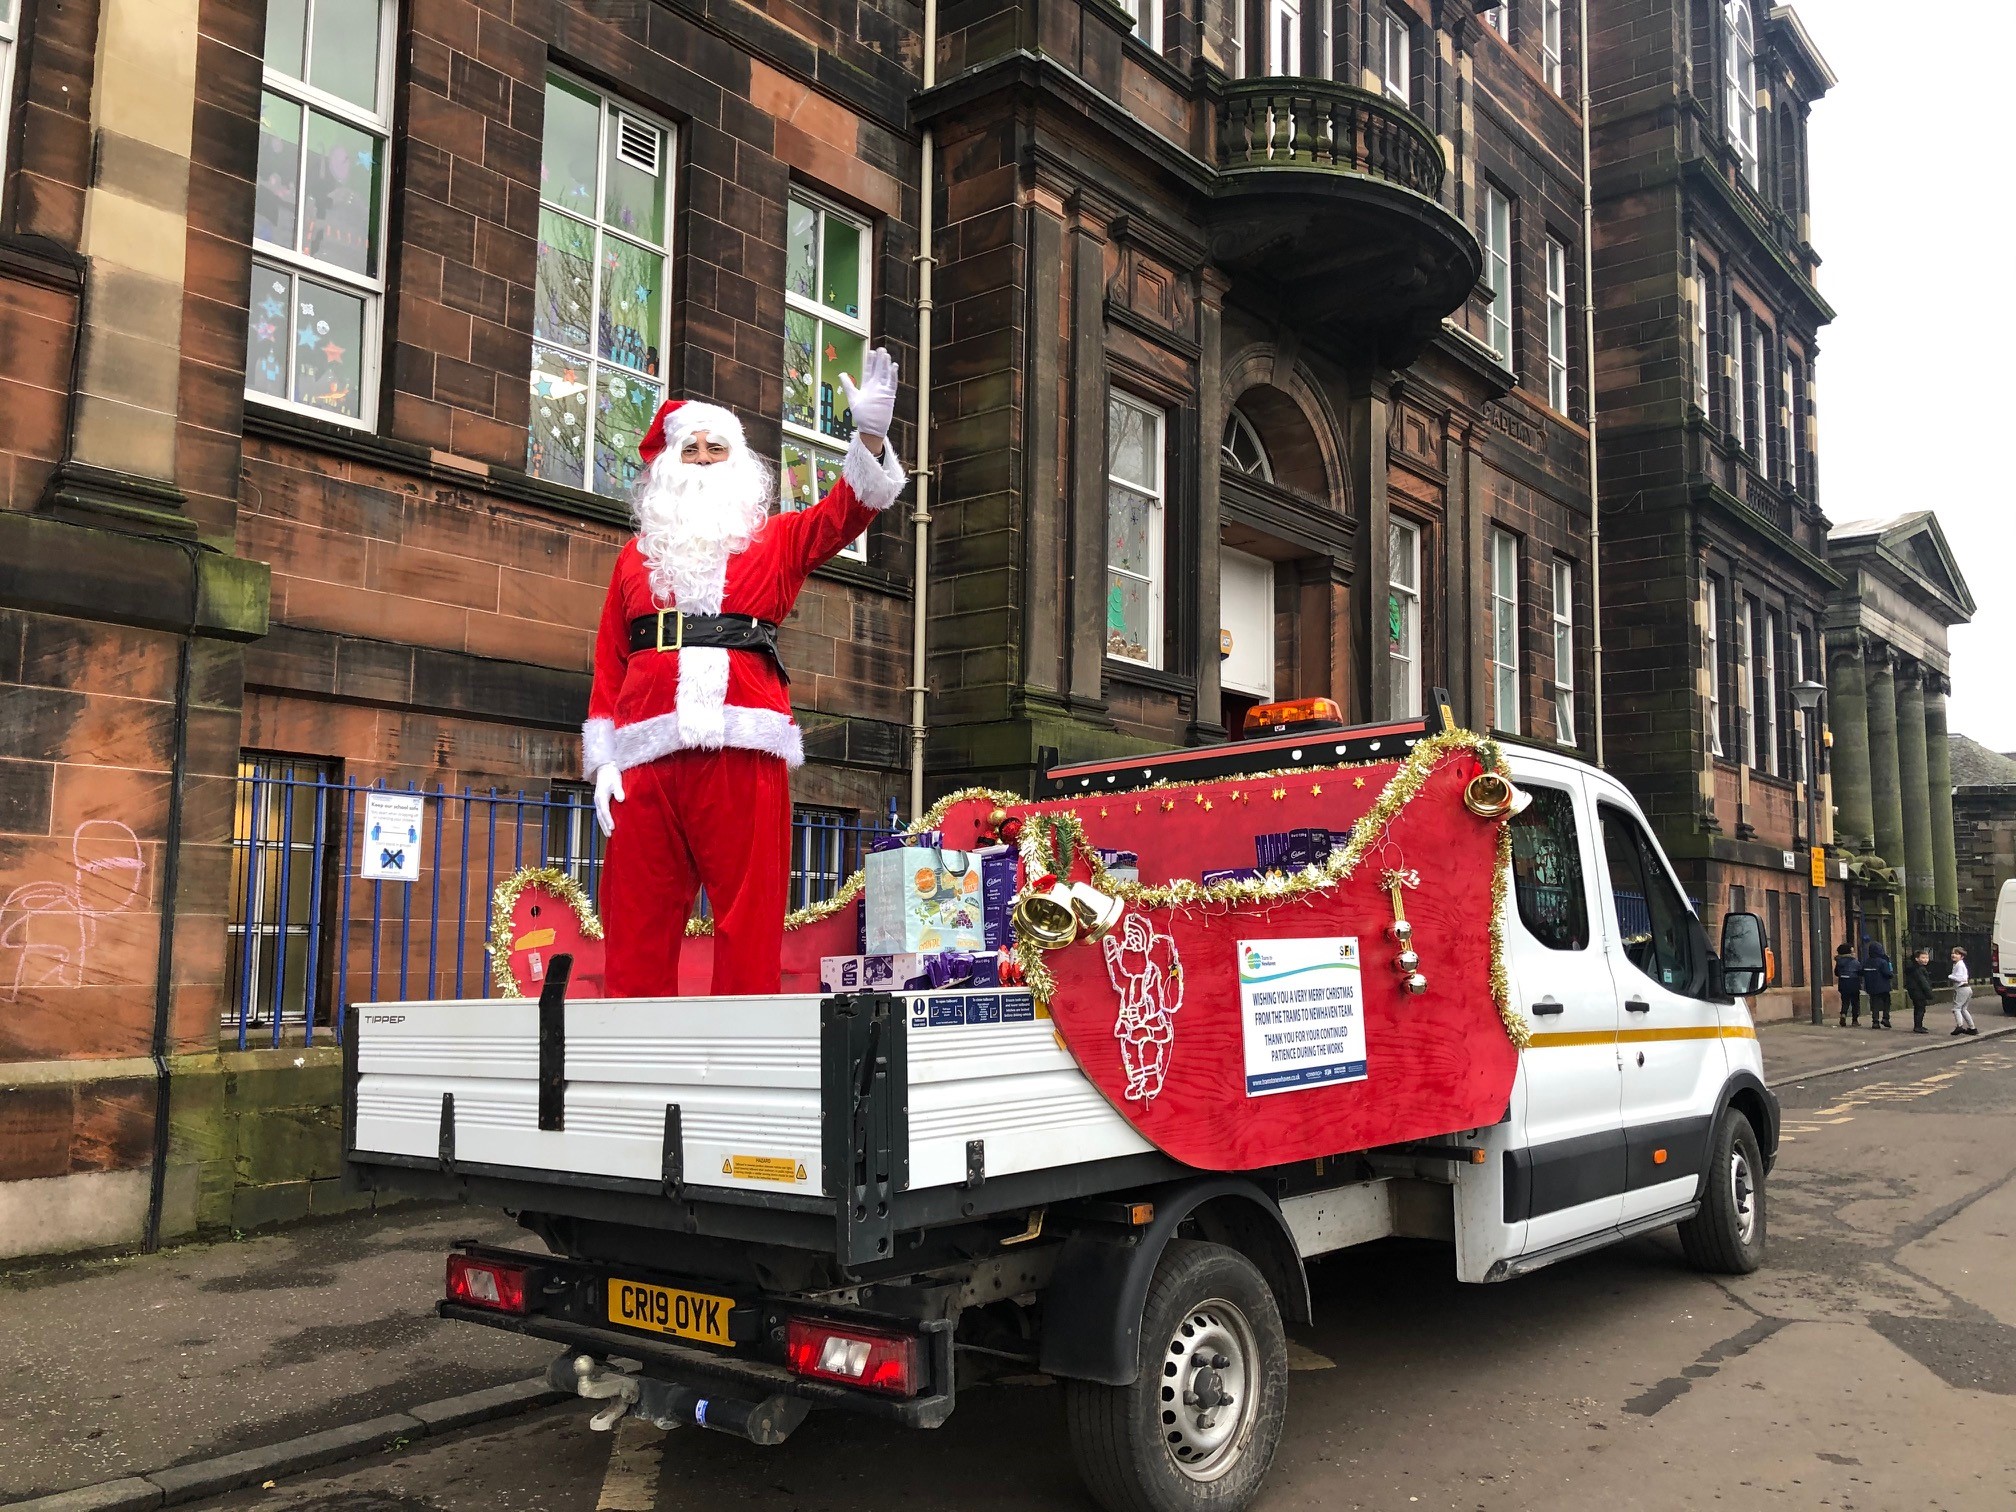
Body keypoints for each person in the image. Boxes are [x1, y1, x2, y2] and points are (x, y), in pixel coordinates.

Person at [583, 351, 906, 996]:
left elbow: (843, 512)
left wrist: (868, 438)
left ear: (739, 463)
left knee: (748, 921)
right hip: (646, 756)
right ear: (667, 466)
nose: (701, 460)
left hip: (743, 747)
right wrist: (604, 760)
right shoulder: (633, 559)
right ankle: (629, 1071)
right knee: (636, 923)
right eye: (691, 450)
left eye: (716, 449)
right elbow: (609, 660)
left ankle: (742, 1069)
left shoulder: (777, 541)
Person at [1862, 940, 1894, 1030]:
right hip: (1883, 986)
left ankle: (1875, 1021)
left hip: (1871, 986)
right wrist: (1891, 971)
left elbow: (1862, 972)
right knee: (1886, 1002)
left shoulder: (1867, 961)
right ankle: (1885, 1018)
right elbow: (1888, 974)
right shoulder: (1882, 962)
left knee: (1874, 1004)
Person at [1904, 947, 1936, 1035]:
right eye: (1923, 958)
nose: (1926, 960)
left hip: (1914, 991)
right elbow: (1923, 982)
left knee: (1918, 1008)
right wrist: (1929, 993)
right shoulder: (1919, 969)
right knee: (1921, 1009)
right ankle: (1918, 1026)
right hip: (1919, 992)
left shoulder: (1915, 968)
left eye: (1927, 958)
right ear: (1917, 959)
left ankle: (1918, 1025)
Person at [1949, 947, 1978, 1036]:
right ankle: (1972, 1028)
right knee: (1964, 1009)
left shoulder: (1960, 965)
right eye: (1953, 953)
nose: (1953, 955)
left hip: (1962, 988)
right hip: (1966, 989)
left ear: (1962, 957)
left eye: (1957, 954)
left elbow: (1962, 978)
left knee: (1956, 1008)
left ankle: (1959, 1026)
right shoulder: (1958, 964)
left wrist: (1951, 976)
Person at [1833, 940, 1863, 1028]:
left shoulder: (1839, 962)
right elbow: (1860, 971)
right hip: (1853, 982)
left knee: (1845, 1001)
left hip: (1843, 982)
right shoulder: (1854, 962)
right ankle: (1854, 1020)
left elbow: (1836, 973)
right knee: (1855, 1002)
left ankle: (1843, 1014)